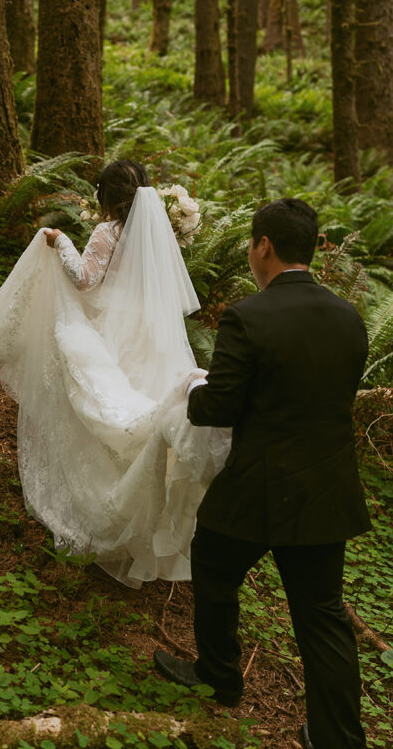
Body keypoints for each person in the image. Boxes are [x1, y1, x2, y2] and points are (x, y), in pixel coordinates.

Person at [153, 198, 370, 749]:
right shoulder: (349, 317)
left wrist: (193, 387)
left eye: (253, 245)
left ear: (263, 245)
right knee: (323, 615)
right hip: (325, 487)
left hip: (257, 486)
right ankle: (338, 737)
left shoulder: (248, 316)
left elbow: (217, 407)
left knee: (214, 565)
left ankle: (220, 676)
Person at [0, 160, 231, 587]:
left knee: (98, 406)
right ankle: (148, 519)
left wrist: (61, 243)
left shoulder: (107, 233)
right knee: (143, 400)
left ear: (106, 196)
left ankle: (107, 506)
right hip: (150, 337)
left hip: (111, 331)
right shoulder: (156, 236)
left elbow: (85, 281)